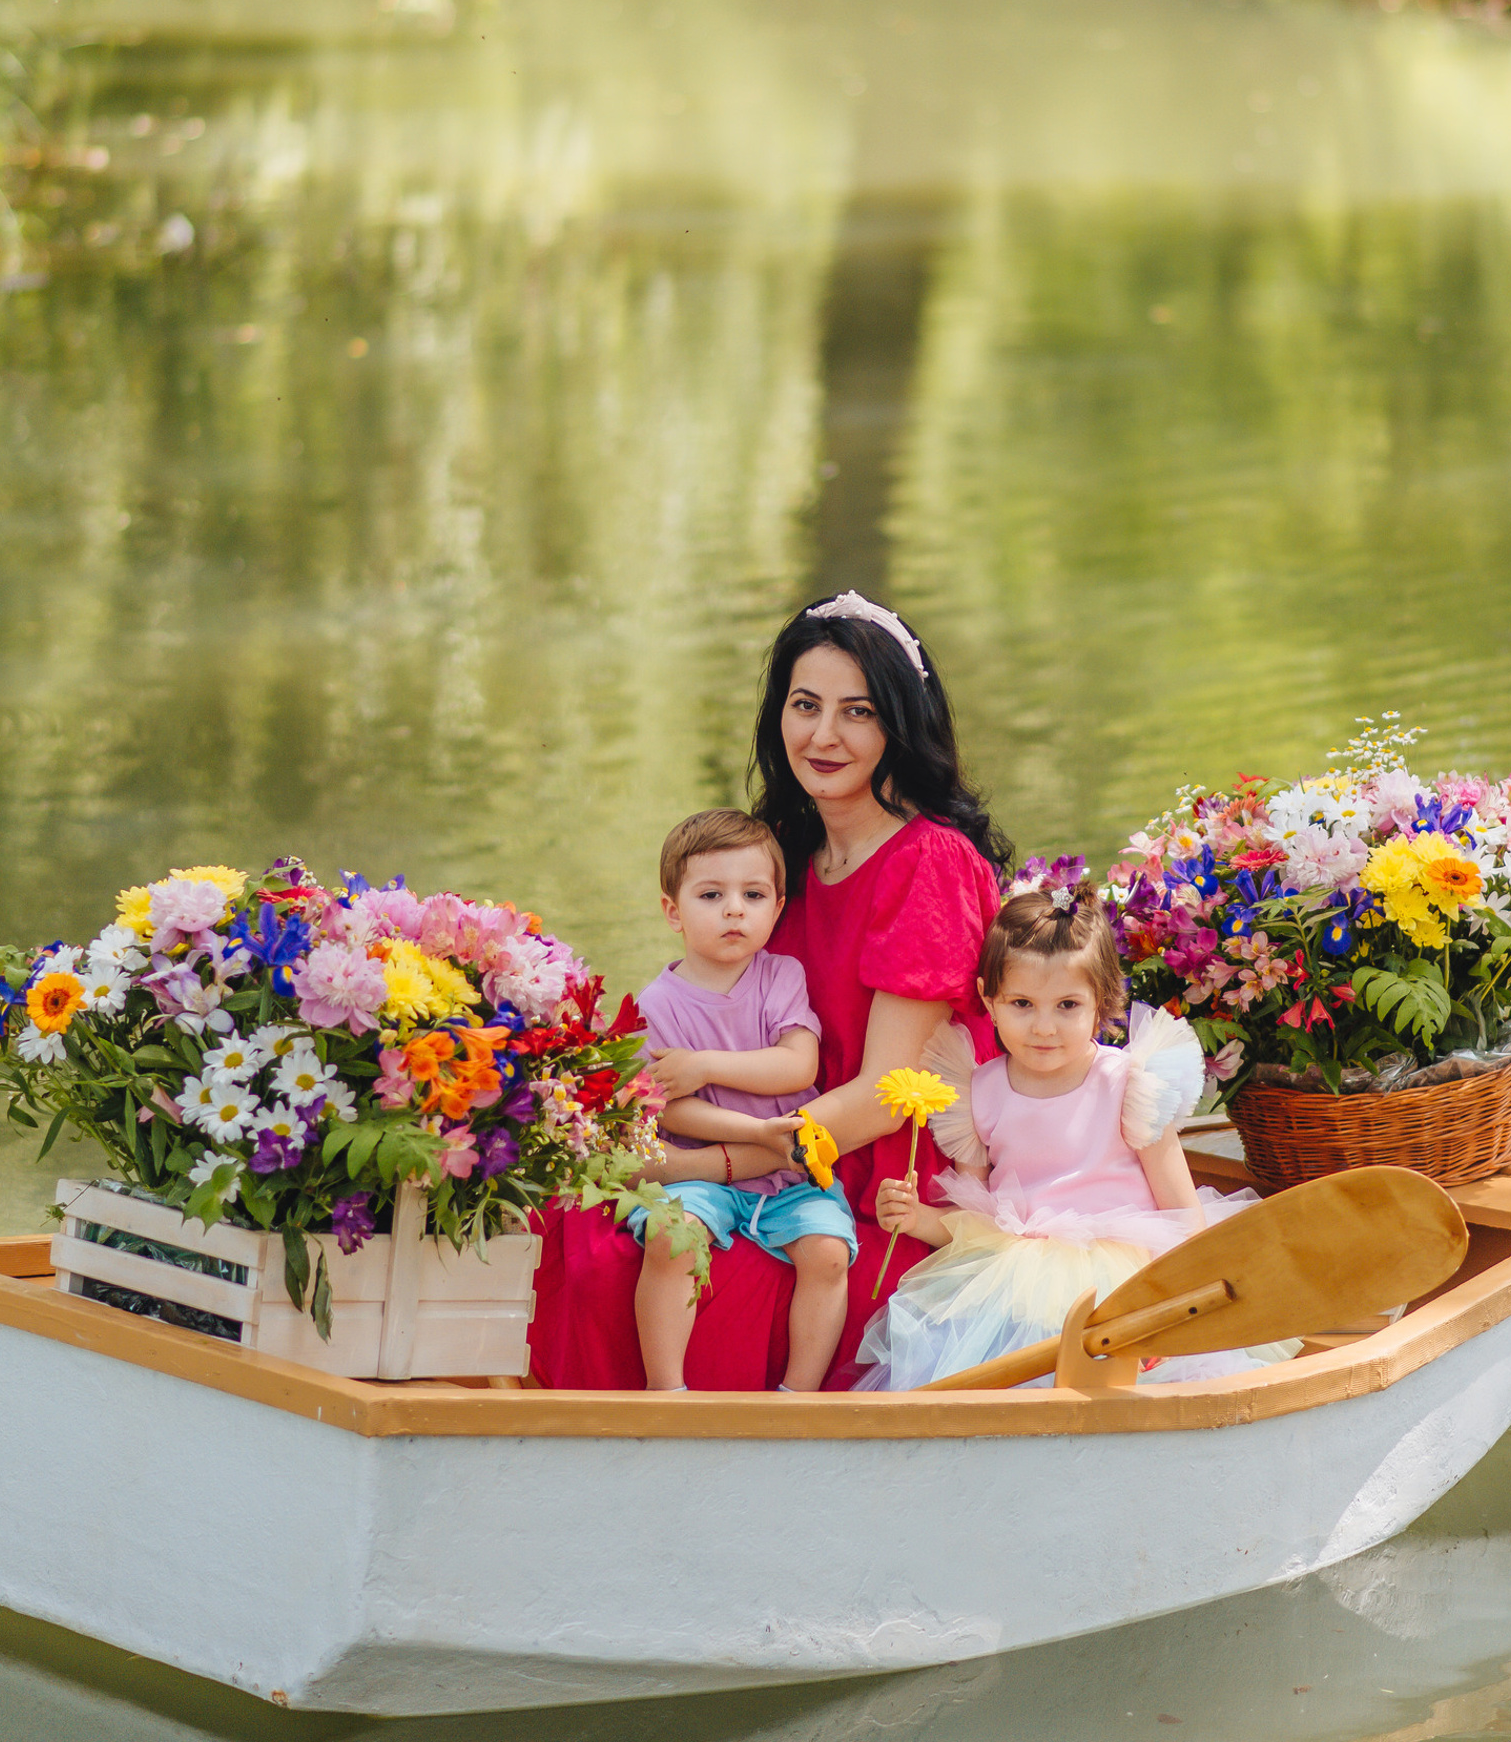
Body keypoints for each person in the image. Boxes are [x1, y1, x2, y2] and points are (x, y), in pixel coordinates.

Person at [525, 589, 1009, 1391]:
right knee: (591, 1226)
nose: (823, 736)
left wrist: (719, 1160)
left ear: (898, 723)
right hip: (765, 1145)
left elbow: (889, 1094)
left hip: (867, 1174)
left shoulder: (930, 862)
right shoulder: (780, 855)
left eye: (856, 712)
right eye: (804, 705)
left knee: (644, 1265)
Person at [853, 884, 1287, 1390]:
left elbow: (1182, 1212)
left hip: (1127, 1275)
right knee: (995, 1378)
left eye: (1066, 1005)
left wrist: (1174, 1304)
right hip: (1016, 1280)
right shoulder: (978, 1091)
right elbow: (978, 1219)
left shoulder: (1129, 1083)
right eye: (1021, 1003)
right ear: (988, 1001)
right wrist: (918, 1218)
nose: (1044, 1027)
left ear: (1100, 1002)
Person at [628, 810, 858, 1393]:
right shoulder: (657, 1004)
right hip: (699, 1170)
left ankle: (798, 1395)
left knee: (829, 1253)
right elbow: (669, 1111)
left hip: (790, 1179)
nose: (735, 909)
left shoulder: (781, 976)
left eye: (753, 894)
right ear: (672, 910)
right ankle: (666, 1389)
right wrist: (754, 1135)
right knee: (669, 1236)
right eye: (712, 894)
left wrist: (704, 1065)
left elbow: (797, 1065)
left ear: (777, 908)